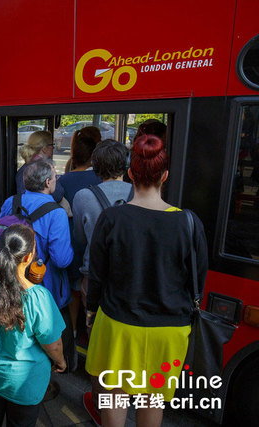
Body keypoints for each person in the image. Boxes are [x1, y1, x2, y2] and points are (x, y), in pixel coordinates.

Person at [85, 135, 208, 427]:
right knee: (152, 397)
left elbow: (97, 275)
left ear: (130, 174)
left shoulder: (112, 218)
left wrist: (91, 312)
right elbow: (197, 279)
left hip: (118, 323)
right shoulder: (189, 222)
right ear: (164, 176)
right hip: (169, 329)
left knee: (114, 393)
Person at [0, 224, 66, 426]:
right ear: (28, 257)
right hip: (23, 383)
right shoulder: (38, 298)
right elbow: (53, 345)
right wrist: (61, 363)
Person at [71, 139, 132, 423]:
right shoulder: (137, 192)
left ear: (96, 167)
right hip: (131, 280)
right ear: (127, 165)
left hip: (94, 279)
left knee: (99, 345)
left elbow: (81, 242)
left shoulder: (85, 196)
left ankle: (99, 404)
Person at [0, 158, 75, 380]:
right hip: (44, 286)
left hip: (11, 280)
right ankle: (46, 376)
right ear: (49, 182)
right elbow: (62, 259)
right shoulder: (56, 212)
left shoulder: (10, 202)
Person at [57, 127, 101, 340]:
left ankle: (73, 333)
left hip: (73, 244)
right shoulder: (102, 178)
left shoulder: (63, 182)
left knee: (75, 291)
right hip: (96, 245)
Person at [16, 131, 64, 202]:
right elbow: (58, 194)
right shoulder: (44, 168)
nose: (53, 147)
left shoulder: (26, 167)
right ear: (44, 149)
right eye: (52, 144)